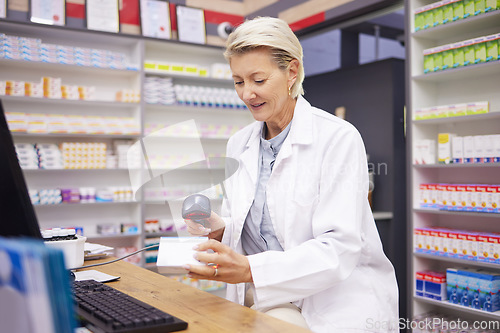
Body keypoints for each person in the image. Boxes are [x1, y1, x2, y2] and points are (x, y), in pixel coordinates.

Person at [183, 16, 399, 332]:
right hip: (270, 301)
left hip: (333, 304)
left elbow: (338, 248)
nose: (246, 94)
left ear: (291, 72)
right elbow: (263, 228)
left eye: (258, 80)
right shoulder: (239, 144)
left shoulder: (337, 137)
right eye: (239, 82)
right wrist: (221, 229)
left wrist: (249, 268)